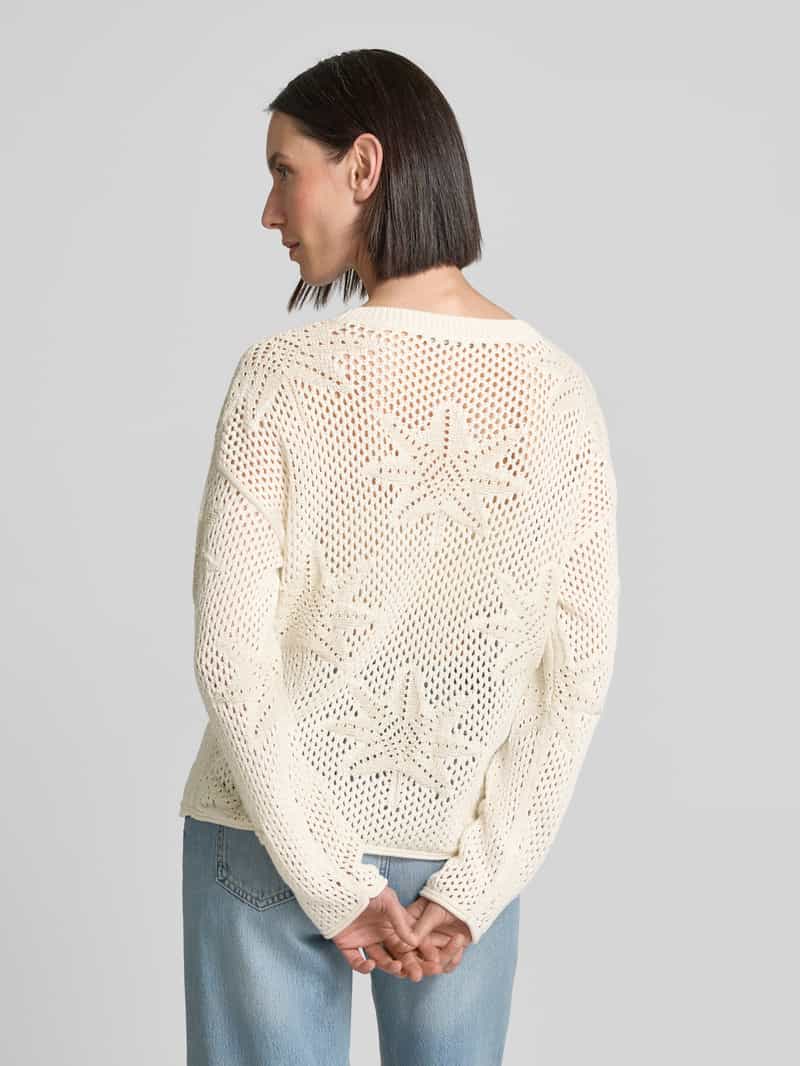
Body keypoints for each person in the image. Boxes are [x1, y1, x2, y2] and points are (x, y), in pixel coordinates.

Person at [179, 48, 620, 1066]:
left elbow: (230, 657)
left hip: (264, 837)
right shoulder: (559, 394)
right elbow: (577, 674)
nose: (269, 211)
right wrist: (478, 883)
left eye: (283, 171)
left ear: (363, 165)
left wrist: (326, 877)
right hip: (457, 854)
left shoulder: (280, 378)